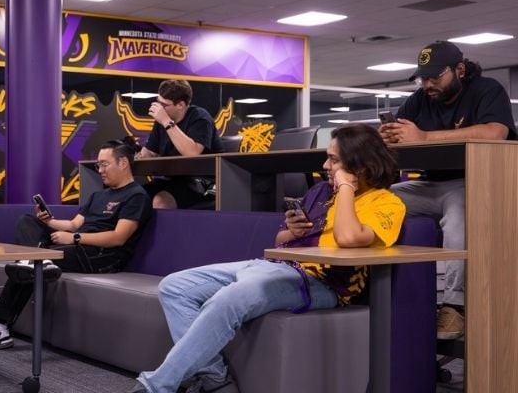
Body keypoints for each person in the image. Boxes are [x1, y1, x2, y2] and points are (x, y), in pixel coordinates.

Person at [131, 124, 405, 393]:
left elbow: (347, 238)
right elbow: (280, 242)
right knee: (174, 286)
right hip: (274, 265)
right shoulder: (320, 191)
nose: (325, 165)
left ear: (359, 164)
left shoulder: (387, 203)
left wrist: (346, 186)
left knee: (228, 299)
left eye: (333, 159)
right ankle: (215, 377)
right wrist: (292, 232)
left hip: (322, 283)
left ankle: (156, 386)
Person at [0, 138, 153, 351]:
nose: (100, 170)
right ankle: (33, 264)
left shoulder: (137, 196)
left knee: (32, 262)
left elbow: (118, 238)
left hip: (103, 256)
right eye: (98, 165)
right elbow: (73, 224)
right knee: (27, 222)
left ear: (123, 162)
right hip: (78, 248)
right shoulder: (99, 195)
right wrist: (48, 221)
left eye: (104, 164)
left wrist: (76, 238)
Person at [379, 40, 516, 340]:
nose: (428, 84)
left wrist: (424, 136)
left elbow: (496, 132)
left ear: (459, 70)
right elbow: (405, 134)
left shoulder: (486, 90)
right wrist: (391, 135)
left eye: (435, 77)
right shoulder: (420, 99)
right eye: (422, 78)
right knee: (376, 200)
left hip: (472, 182)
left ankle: (455, 306)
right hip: (428, 185)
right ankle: (367, 288)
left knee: (458, 222)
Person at [137, 79, 223, 209]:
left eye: (164, 105)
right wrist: (139, 157)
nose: (159, 109)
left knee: (161, 201)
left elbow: (192, 153)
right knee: (134, 197)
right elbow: (150, 152)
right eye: (158, 102)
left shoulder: (200, 118)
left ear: (181, 105)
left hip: (204, 181)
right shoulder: (161, 122)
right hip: (174, 179)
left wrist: (166, 122)